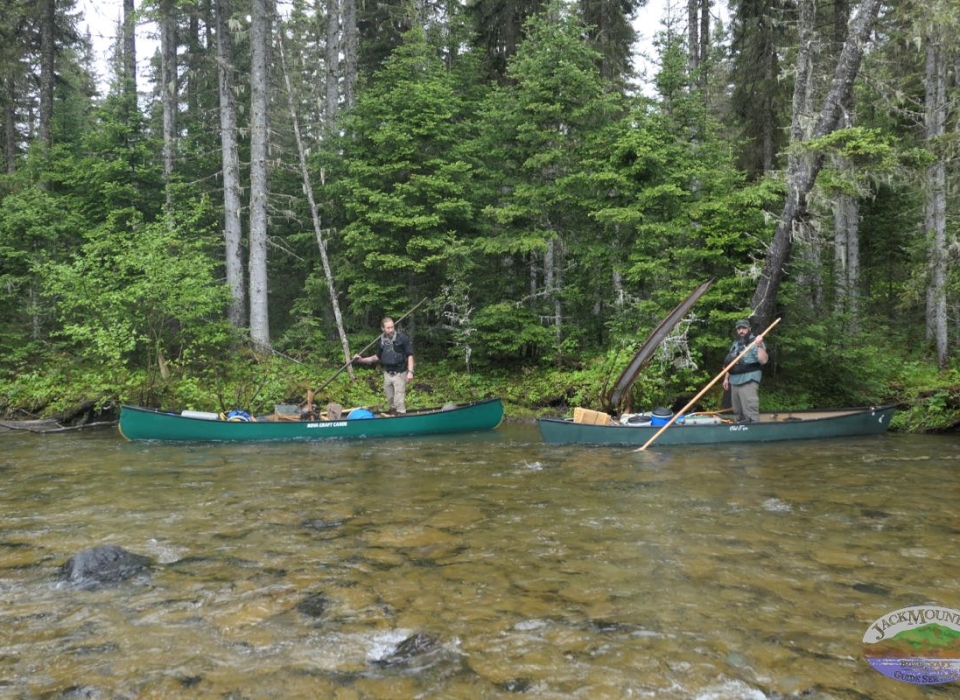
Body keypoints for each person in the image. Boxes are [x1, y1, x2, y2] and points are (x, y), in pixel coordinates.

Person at [353, 317, 415, 414]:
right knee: (390, 400)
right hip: (387, 374)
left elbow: (410, 355)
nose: (391, 330)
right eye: (388, 328)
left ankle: (401, 418)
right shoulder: (382, 341)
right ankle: (392, 417)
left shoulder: (402, 338)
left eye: (392, 327)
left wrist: (410, 372)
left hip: (400, 373)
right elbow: (376, 357)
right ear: (383, 328)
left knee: (398, 401)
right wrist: (361, 359)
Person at [721, 318, 768, 424]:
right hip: (734, 381)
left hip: (748, 380)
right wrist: (726, 379)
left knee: (750, 412)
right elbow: (730, 363)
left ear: (749, 329)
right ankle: (740, 432)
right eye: (739, 329)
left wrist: (759, 345)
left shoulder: (755, 342)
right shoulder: (735, 343)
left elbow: (763, 360)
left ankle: (754, 432)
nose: (741, 331)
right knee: (738, 413)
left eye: (744, 328)